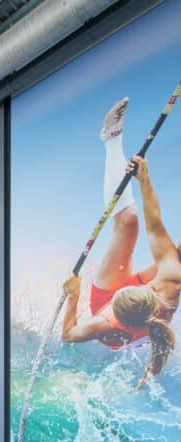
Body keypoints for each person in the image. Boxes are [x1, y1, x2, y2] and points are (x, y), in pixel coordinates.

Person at [61, 98, 180, 386]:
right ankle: (112, 140)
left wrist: (74, 295)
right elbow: (156, 225)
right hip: (141, 309)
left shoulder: (103, 321)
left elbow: (68, 333)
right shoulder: (169, 285)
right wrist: (145, 180)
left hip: (125, 314)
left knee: (127, 220)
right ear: (147, 290)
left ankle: (111, 140)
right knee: (172, 253)